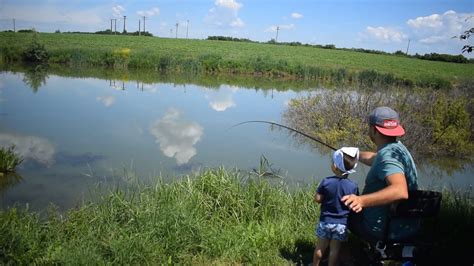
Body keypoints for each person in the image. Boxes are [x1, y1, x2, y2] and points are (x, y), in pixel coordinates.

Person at [341, 106, 419, 242]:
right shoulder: (397, 148)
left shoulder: (387, 156)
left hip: (381, 230)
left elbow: (400, 191)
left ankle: (339, 254)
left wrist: (361, 201)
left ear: (374, 130)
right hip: (406, 226)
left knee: (336, 202)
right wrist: (355, 154)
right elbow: (375, 159)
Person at [313, 147, 359, 266]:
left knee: (320, 247)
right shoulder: (353, 186)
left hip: (325, 221)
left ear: (335, 166)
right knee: (334, 250)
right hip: (341, 224)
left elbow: (318, 199)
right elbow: (354, 203)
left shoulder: (326, 182)